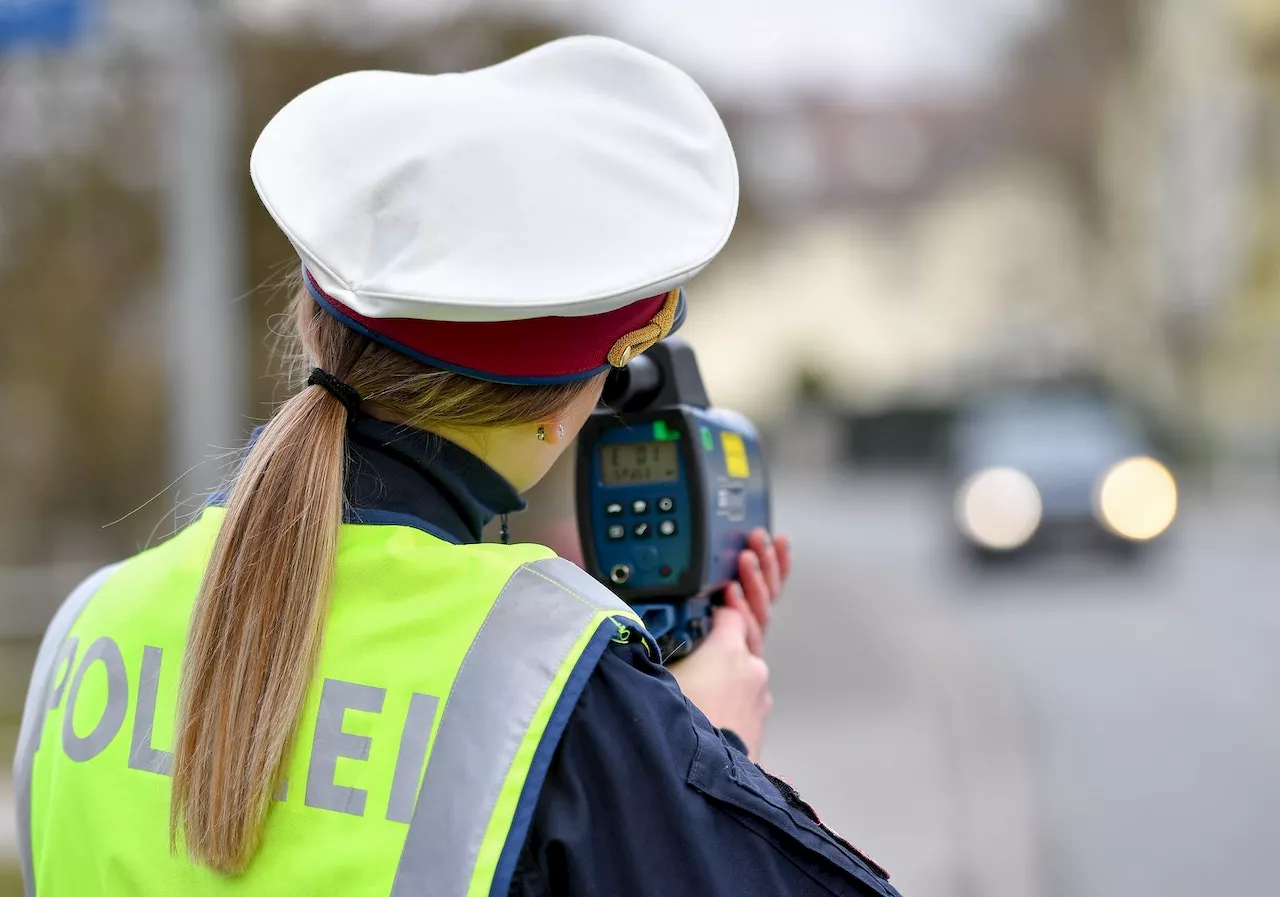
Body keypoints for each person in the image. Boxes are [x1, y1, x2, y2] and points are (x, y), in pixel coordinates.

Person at [14, 36, 901, 897]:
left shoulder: (83, 634)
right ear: (562, 410)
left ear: (309, 320)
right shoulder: (554, 687)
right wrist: (705, 763)